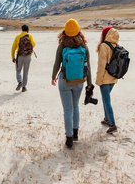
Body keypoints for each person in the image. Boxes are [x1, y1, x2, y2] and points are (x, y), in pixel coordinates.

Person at [51, 19, 93, 148]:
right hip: (79, 82)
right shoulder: (84, 47)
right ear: (78, 31)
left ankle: (69, 138)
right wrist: (89, 85)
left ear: (65, 32)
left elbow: (57, 64)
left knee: (67, 110)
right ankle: (75, 134)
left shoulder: (62, 46)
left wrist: (53, 77)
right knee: (75, 107)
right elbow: (88, 67)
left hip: (65, 81)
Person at [96, 26, 119, 134]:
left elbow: (101, 65)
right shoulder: (116, 45)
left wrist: (98, 80)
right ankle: (106, 119)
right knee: (106, 98)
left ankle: (112, 124)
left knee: (106, 100)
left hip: (105, 78)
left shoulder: (104, 46)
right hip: (113, 77)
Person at [11, 24, 36, 92]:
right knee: (25, 72)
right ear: (28, 30)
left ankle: (20, 82)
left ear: (22, 30)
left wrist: (13, 57)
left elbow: (13, 48)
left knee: (18, 70)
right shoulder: (30, 36)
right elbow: (34, 44)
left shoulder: (18, 37)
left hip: (20, 56)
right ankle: (24, 87)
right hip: (28, 56)